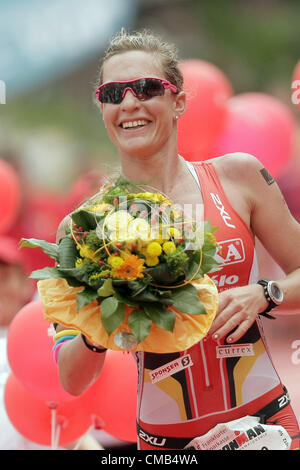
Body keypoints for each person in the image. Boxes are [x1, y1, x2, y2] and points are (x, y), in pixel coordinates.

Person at [54, 29, 300, 450]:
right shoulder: (84, 228)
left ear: (179, 101)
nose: (130, 103)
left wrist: (266, 293)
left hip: (268, 426)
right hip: (166, 447)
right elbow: (71, 379)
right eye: (113, 93)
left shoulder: (239, 177)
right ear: (102, 108)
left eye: (147, 88)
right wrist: (98, 328)